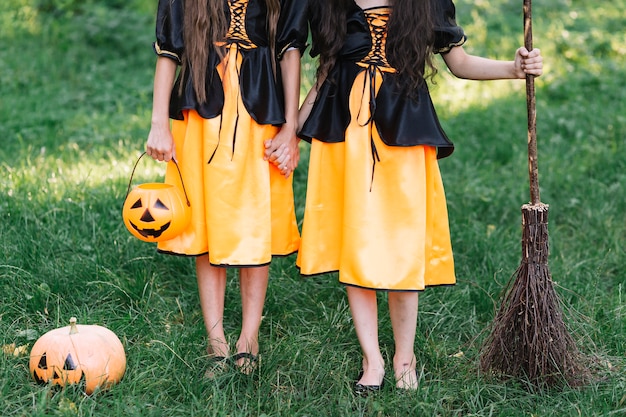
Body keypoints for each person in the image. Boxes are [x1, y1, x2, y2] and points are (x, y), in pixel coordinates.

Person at [297, 0, 543, 392]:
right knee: (355, 239)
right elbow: (325, 69)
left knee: (401, 241)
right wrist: (291, 128)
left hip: (405, 130)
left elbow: (459, 63)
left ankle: (404, 357)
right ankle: (372, 359)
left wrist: (513, 70)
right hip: (346, 135)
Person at [145, 0, 307, 375]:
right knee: (207, 220)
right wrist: (159, 124)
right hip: (201, 111)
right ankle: (216, 338)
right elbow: (170, 49)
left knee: (256, 222)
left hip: (261, 112)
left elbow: (290, 49)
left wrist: (291, 128)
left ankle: (249, 336)